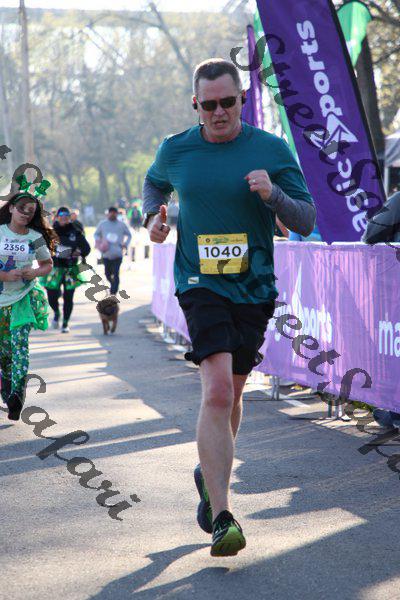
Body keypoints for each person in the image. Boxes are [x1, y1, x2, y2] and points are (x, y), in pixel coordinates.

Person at [143, 58, 316, 557]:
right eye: (208, 104)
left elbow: (305, 220)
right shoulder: (176, 149)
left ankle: (209, 472)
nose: (218, 112)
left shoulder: (270, 149)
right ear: (195, 105)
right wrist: (152, 218)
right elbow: (154, 185)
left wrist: (273, 194)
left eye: (227, 102)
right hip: (199, 284)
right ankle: (223, 516)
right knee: (217, 391)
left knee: (233, 395)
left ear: (242, 99)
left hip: (254, 287)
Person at [0, 188, 55, 420]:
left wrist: (34, 272)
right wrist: (4, 275)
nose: (25, 213)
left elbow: (47, 264)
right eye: (21, 208)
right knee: (4, 354)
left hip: (23, 299)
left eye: (30, 211)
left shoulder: (35, 237)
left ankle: (17, 395)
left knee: (20, 348)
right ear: (12, 208)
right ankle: (7, 388)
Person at [40, 207, 91, 333]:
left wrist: (79, 252)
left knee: (68, 297)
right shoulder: (50, 232)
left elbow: (86, 248)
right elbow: (40, 247)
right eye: (61, 215)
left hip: (70, 269)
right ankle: (57, 313)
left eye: (66, 215)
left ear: (69, 217)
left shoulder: (75, 231)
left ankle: (65, 323)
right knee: (52, 296)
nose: (64, 217)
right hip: (54, 268)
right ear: (57, 217)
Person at [94, 207, 132, 295]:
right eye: (111, 213)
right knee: (107, 274)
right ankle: (112, 285)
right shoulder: (103, 224)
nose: (112, 214)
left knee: (116, 273)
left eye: (114, 213)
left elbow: (129, 235)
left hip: (118, 253)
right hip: (106, 253)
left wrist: (125, 244)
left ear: (117, 214)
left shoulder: (122, 225)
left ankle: (113, 292)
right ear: (108, 213)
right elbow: (96, 234)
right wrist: (100, 242)